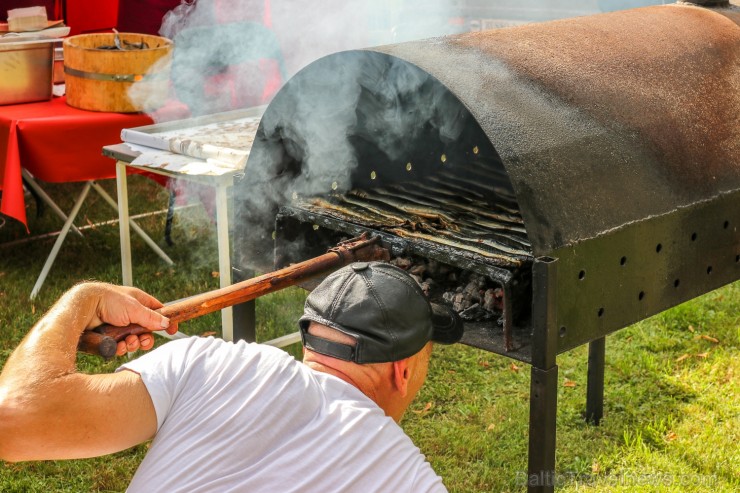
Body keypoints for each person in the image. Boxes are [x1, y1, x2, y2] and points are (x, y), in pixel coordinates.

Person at [0, 261, 463, 492]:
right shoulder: (406, 481)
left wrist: (83, 299)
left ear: (310, 341)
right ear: (403, 372)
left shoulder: (200, 362)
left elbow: (15, 421)